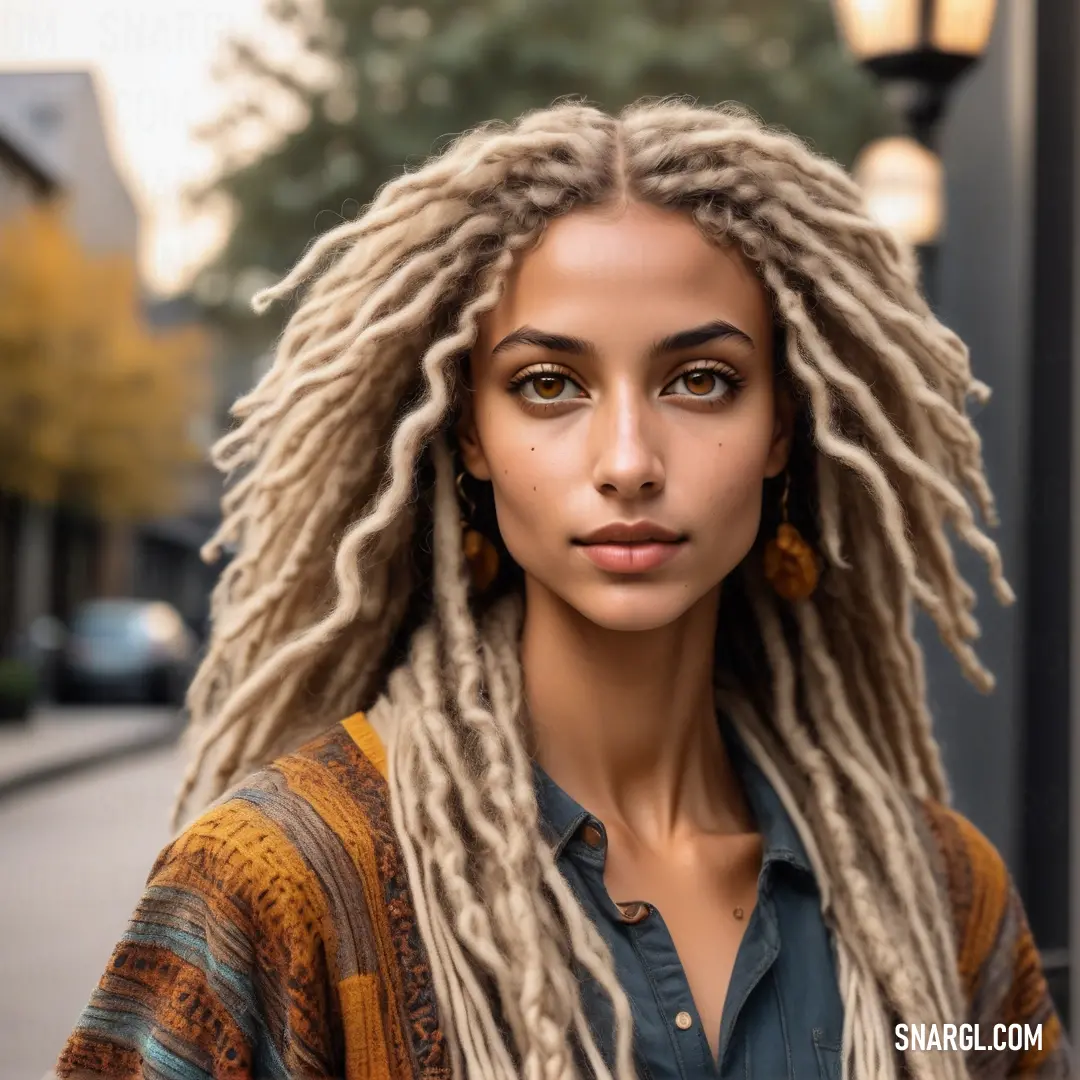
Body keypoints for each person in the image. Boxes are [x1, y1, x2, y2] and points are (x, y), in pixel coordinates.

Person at [56, 99, 1070, 1080]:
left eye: (701, 379)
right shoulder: (279, 887)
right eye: (548, 384)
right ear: (467, 437)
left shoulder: (942, 898)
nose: (627, 459)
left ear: (782, 431)